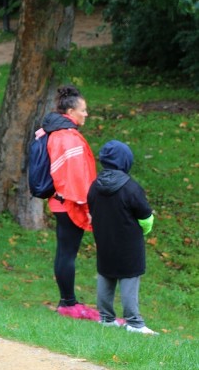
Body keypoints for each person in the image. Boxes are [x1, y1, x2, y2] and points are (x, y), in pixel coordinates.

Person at [87, 140, 157, 335]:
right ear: (126, 161)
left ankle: (106, 318)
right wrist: (144, 230)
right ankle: (134, 322)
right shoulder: (131, 188)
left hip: (104, 240)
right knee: (129, 278)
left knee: (106, 275)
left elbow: (91, 207)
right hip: (129, 244)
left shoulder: (95, 186)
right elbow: (145, 216)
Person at [43, 85, 98, 320]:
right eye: (83, 110)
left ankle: (67, 301)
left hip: (60, 202)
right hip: (69, 204)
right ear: (71, 111)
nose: (86, 114)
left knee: (65, 252)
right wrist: (88, 207)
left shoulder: (59, 132)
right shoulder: (68, 137)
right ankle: (68, 303)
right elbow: (76, 178)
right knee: (67, 253)